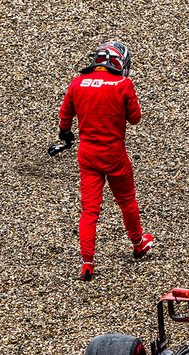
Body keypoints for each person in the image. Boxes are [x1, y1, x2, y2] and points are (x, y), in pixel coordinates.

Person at [57, 41, 154, 281]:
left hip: (87, 154)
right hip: (114, 155)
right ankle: (138, 243)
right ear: (119, 62)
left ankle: (87, 263)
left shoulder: (77, 83)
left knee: (89, 210)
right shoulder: (123, 84)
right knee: (126, 201)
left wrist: (65, 134)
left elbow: (65, 115)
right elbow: (135, 118)